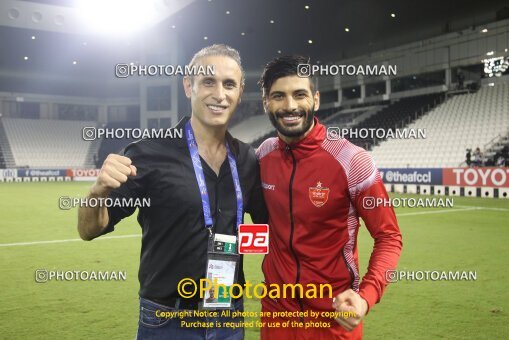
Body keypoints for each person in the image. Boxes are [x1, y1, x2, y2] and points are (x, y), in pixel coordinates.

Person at [77, 44, 267, 339]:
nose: (219, 94)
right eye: (208, 82)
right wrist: (97, 191)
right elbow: (89, 229)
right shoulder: (148, 154)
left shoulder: (248, 160)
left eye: (229, 84)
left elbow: (278, 223)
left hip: (228, 317)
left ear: (240, 92)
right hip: (168, 321)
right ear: (188, 86)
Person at [256, 55, 402, 339]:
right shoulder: (262, 155)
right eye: (278, 96)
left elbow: (389, 237)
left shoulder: (352, 160)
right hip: (276, 318)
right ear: (266, 103)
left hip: (334, 319)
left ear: (316, 100)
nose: (290, 106)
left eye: (300, 94)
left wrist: (365, 296)